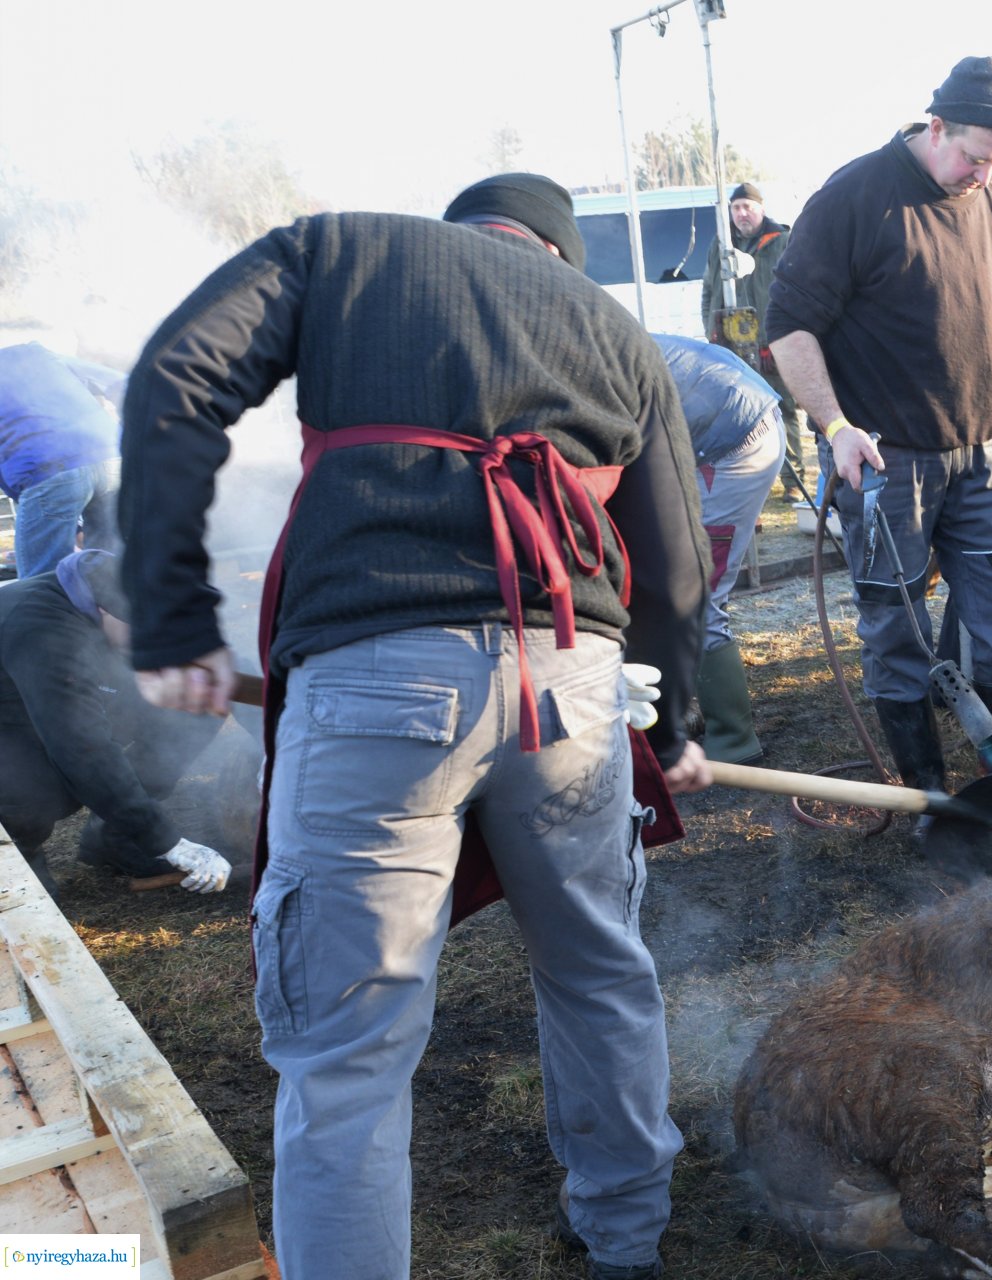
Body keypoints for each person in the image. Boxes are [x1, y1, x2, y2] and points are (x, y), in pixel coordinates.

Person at [117, 171, 712, 1280]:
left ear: (465, 235)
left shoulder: (341, 250)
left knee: (349, 1053)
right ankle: (627, 1239)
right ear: (557, 254)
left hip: (377, 684)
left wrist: (171, 612)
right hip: (574, 689)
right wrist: (673, 721)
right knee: (599, 971)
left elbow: (177, 376)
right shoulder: (615, 328)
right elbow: (676, 563)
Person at [766, 55, 992, 790]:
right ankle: (929, 798)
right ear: (936, 128)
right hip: (886, 461)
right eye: (973, 158)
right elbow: (789, 328)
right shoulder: (855, 198)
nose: (983, 176)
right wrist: (835, 426)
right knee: (897, 625)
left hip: (984, 454)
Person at [0, 549, 230, 901]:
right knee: (27, 782)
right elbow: (81, 747)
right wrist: (167, 841)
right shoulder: (42, 630)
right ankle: (17, 850)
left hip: (41, 712)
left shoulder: (104, 594)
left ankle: (117, 834)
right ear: (106, 610)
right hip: (13, 731)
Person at [653, 333, 786, 765]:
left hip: (734, 438)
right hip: (712, 422)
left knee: (697, 593)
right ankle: (683, 708)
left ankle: (733, 740)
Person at [700, 182, 808, 503]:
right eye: (736, 208)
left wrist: (782, 338)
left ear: (761, 208)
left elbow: (798, 291)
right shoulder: (721, 244)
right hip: (731, 346)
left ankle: (792, 478)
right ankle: (750, 478)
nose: (742, 213)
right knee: (738, 415)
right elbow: (709, 290)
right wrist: (711, 331)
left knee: (781, 409)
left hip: (771, 345)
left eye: (748, 206)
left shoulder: (782, 241)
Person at [0, 338, 124, 577]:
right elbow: (119, 382)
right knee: (111, 565)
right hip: (111, 456)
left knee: (40, 580)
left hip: (48, 469)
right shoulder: (38, 355)